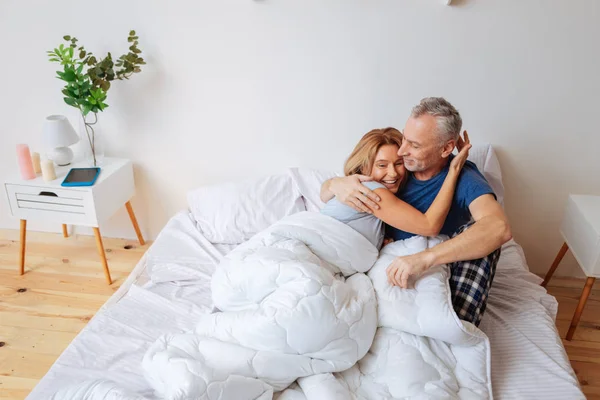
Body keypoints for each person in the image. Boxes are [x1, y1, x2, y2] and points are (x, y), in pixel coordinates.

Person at [320, 97, 512, 326]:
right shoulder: (396, 169)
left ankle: (457, 325)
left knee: (482, 237)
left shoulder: (464, 176)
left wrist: (425, 259)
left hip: (429, 270)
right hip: (377, 266)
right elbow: (336, 191)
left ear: (447, 148)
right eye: (404, 139)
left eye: (415, 145)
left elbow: (498, 228)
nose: (402, 151)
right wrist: (333, 183)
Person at [320, 126, 471, 249]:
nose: (392, 173)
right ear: (363, 166)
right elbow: (430, 226)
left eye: (399, 163)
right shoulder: (371, 190)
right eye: (382, 165)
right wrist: (454, 170)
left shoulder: (354, 187)